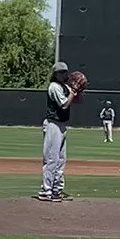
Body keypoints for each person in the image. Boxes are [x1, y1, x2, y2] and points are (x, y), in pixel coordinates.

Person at [36, 62, 80, 202]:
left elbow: (78, 100)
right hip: (53, 125)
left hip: (61, 125)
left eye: (65, 71)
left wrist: (78, 90)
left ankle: (56, 190)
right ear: (55, 74)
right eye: (60, 72)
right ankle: (46, 190)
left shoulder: (64, 87)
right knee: (51, 159)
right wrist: (73, 93)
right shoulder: (54, 87)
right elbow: (64, 104)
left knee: (61, 160)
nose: (63, 74)